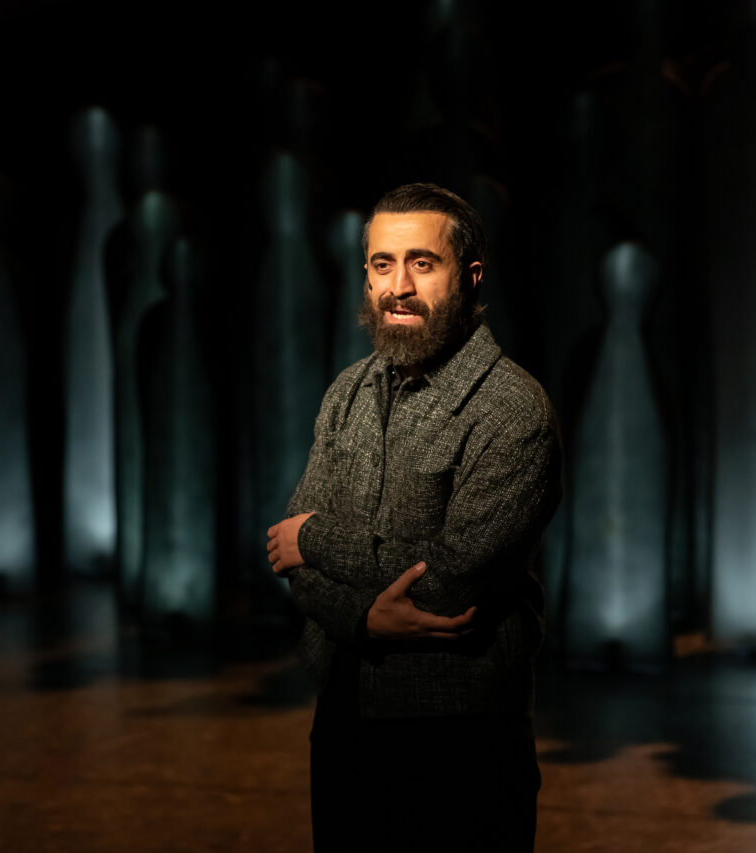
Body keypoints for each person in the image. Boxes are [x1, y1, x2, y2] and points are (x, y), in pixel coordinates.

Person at [266, 183, 562, 853]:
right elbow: (290, 566)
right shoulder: (348, 391)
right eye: (382, 264)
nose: (397, 286)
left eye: (422, 263)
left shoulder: (513, 411)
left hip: (461, 738)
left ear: (470, 276)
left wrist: (315, 538)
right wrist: (363, 618)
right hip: (343, 720)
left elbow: (448, 580)